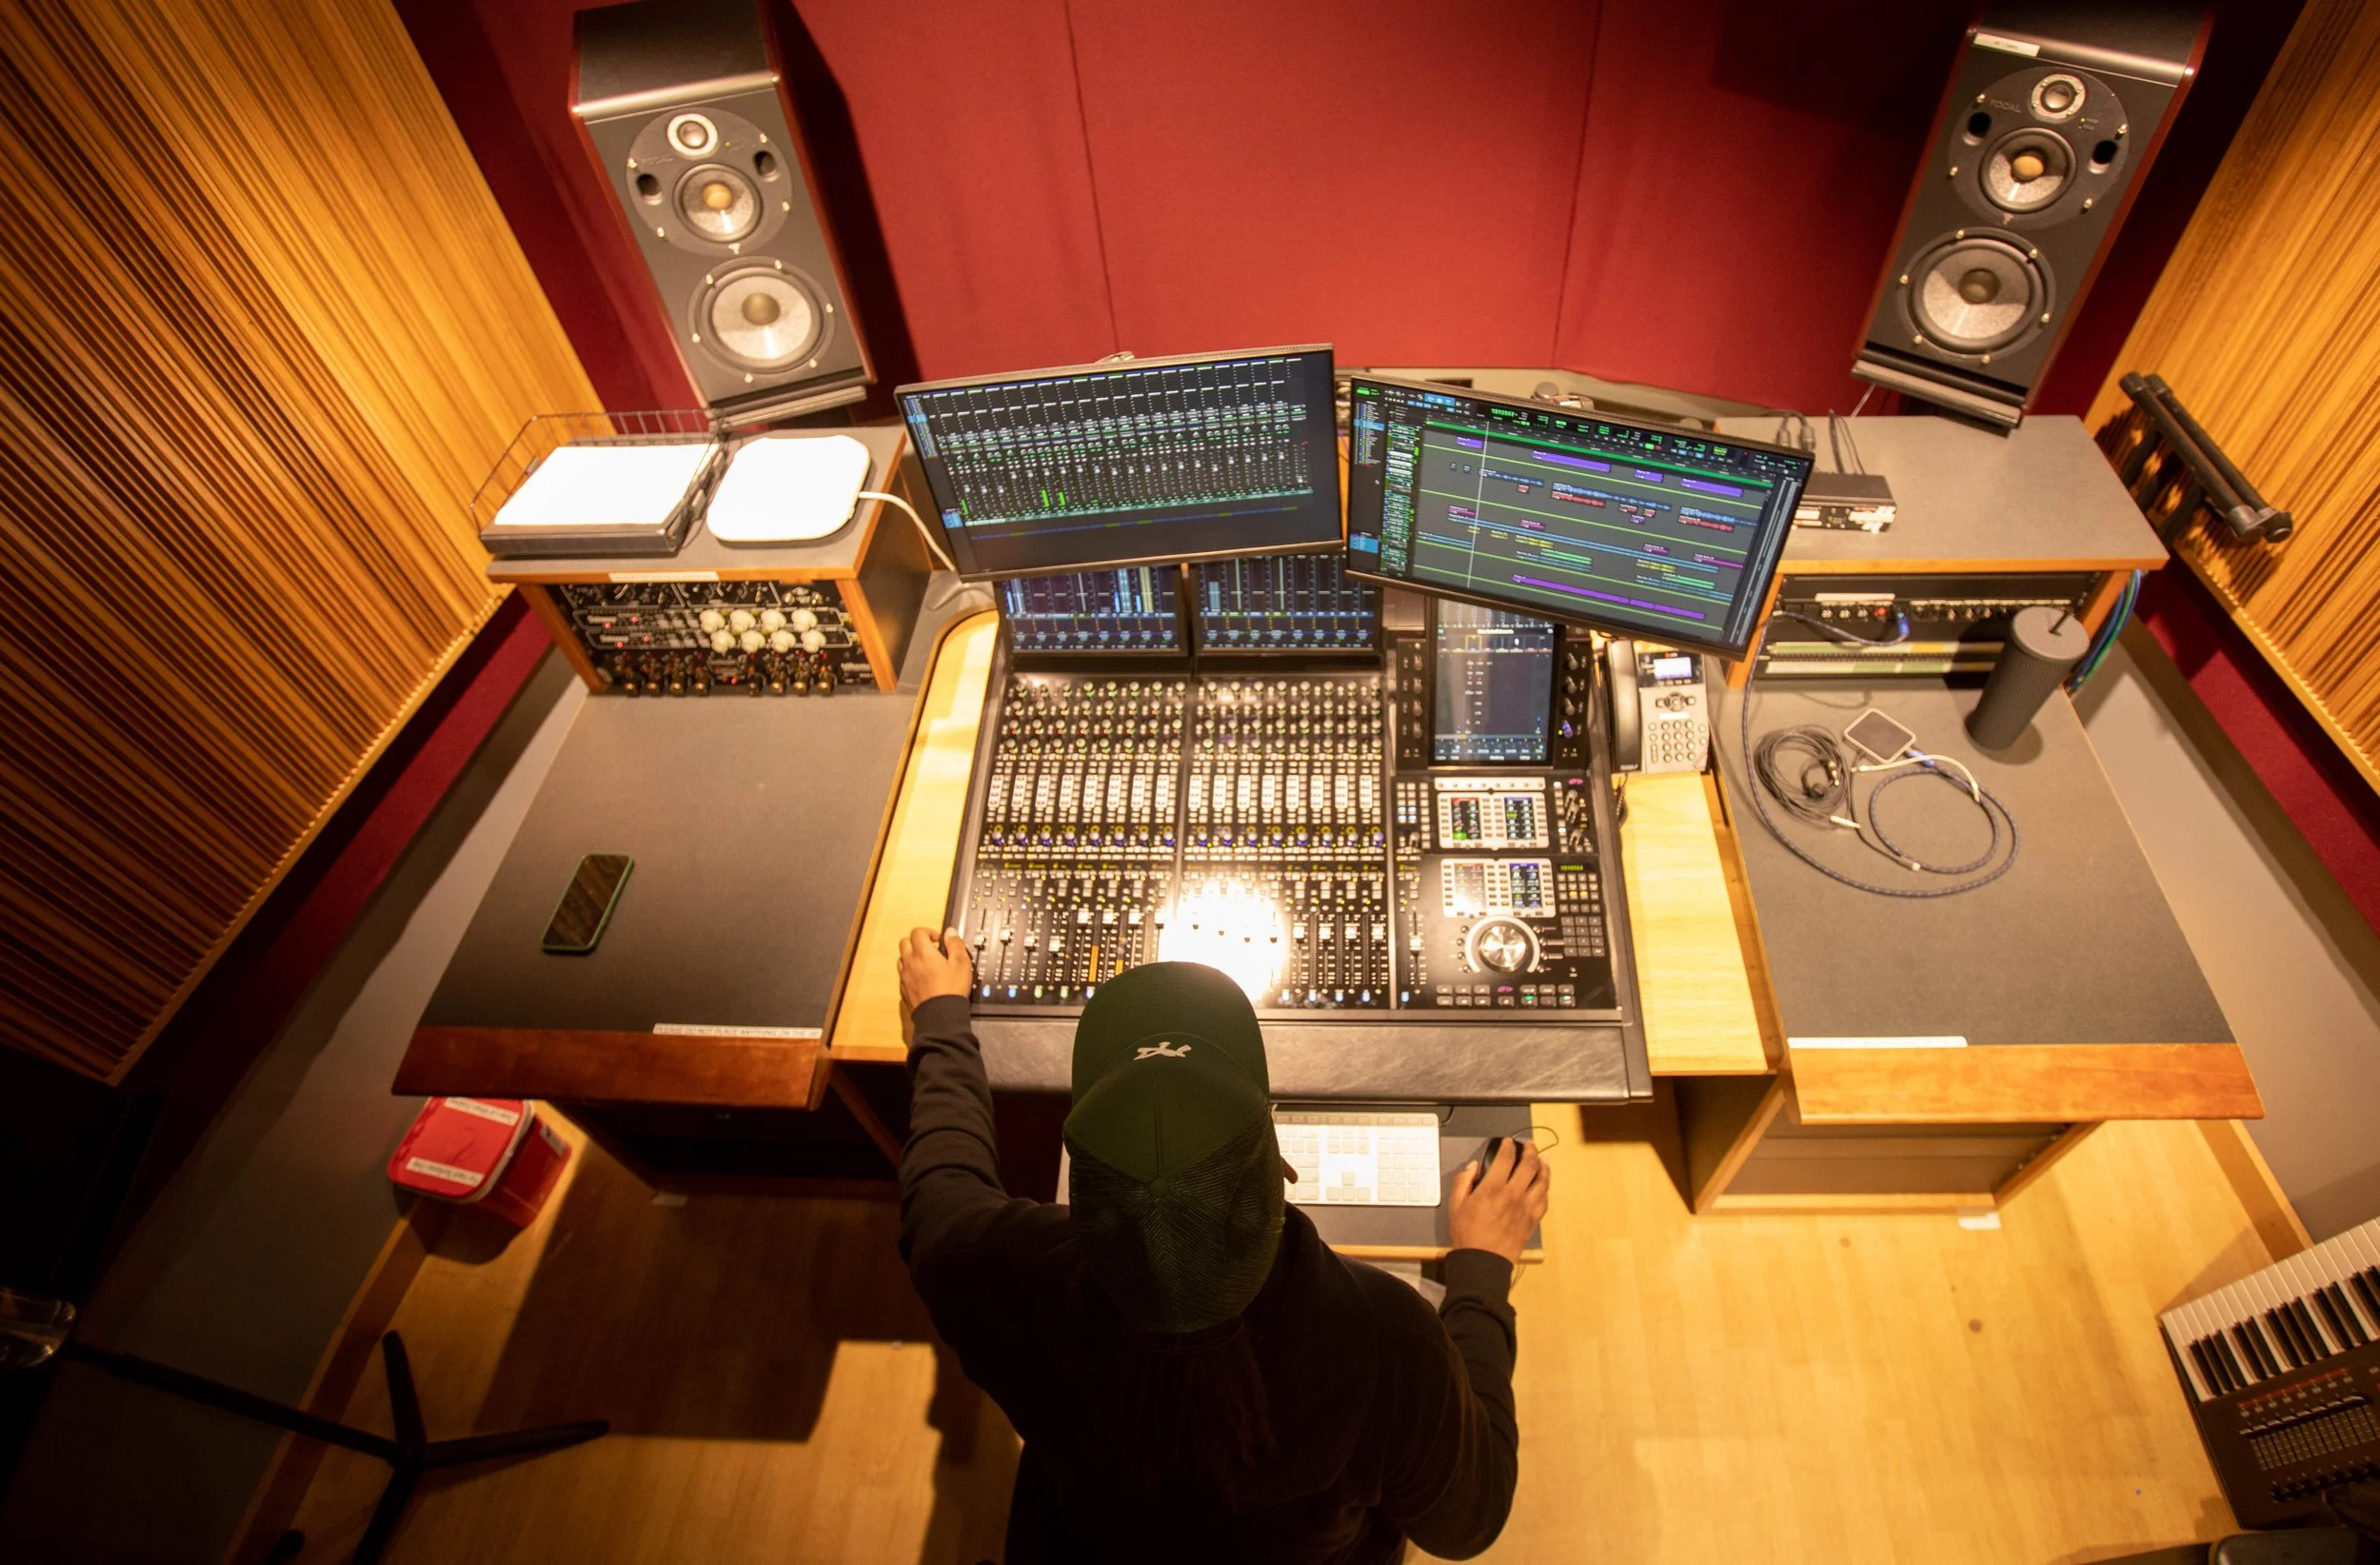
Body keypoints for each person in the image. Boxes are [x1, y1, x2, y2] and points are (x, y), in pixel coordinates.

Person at [895, 926, 1553, 1564]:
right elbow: (1470, 1521)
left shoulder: (1007, 1279)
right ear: (1280, 1166)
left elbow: (939, 1187)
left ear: (1080, 1197)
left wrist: (942, 1020)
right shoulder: (1389, 1341)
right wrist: (1482, 1271)